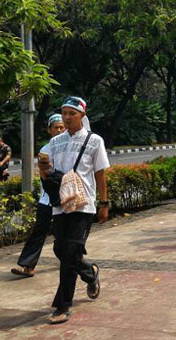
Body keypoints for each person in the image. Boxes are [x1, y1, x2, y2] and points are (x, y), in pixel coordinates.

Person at [41, 96, 110, 325]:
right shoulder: (54, 142)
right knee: (60, 249)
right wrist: (44, 170)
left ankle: (63, 305)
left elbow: (100, 174)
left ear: (82, 115)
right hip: (61, 205)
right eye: (65, 113)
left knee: (70, 252)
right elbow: (48, 173)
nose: (68, 117)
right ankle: (89, 273)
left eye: (72, 113)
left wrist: (104, 203)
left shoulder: (94, 141)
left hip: (84, 204)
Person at [11, 114, 67, 278]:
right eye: (55, 127)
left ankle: (71, 260)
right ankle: (28, 265)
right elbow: (45, 175)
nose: (59, 130)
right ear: (49, 130)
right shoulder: (45, 150)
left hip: (66, 199)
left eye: (61, 127)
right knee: (39, 231)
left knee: (64, 234)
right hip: (47, 199)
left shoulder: (70, 148)